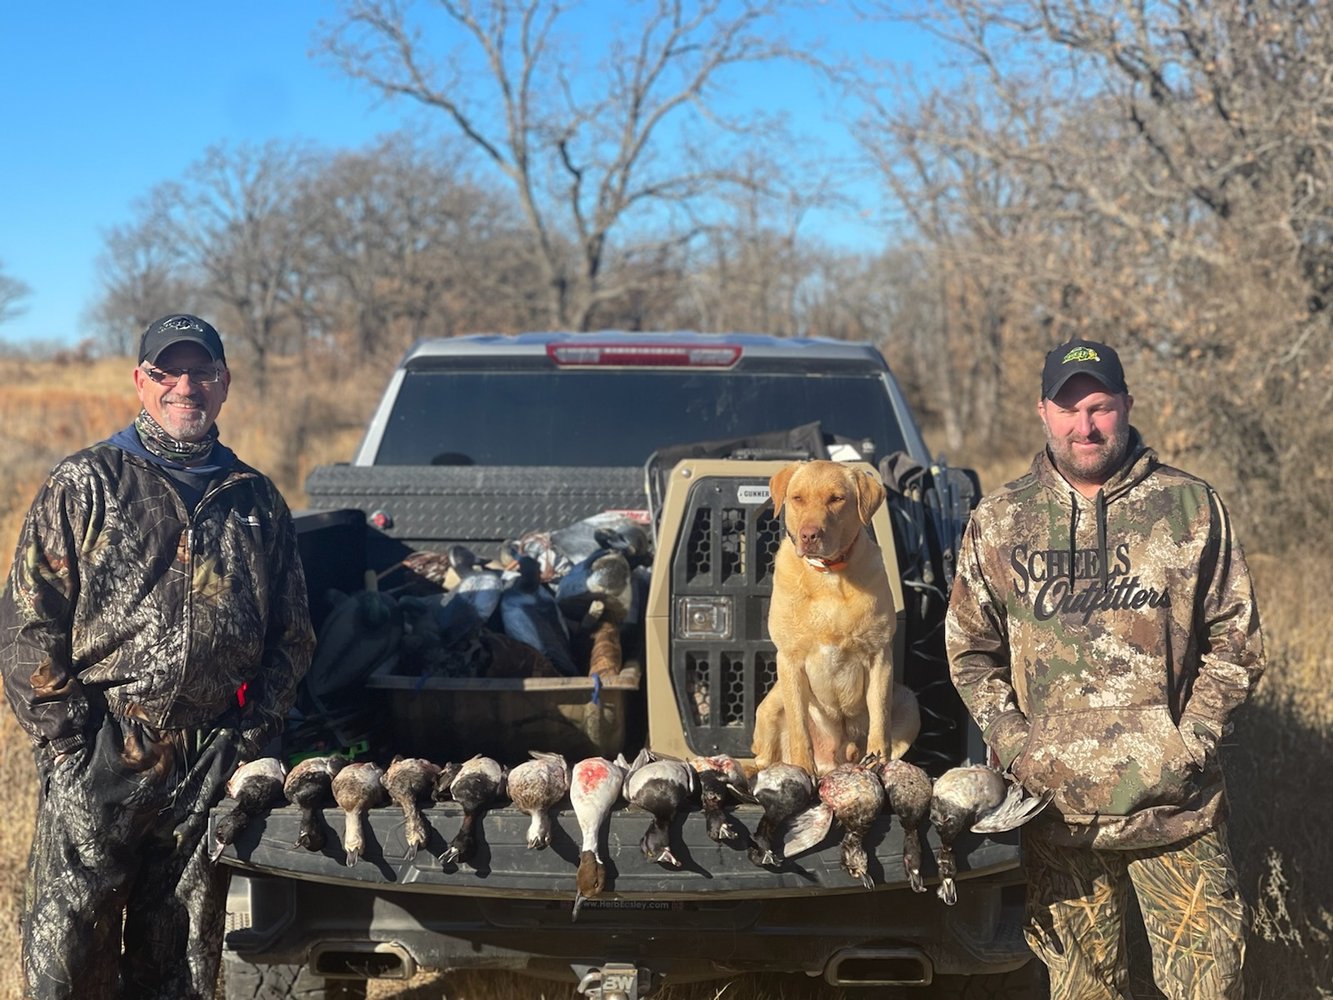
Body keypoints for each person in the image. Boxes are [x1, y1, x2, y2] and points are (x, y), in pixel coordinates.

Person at [0, 314, 316, 999]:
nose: (185, 387)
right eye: (166, 372)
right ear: (139, 382)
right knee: (70, 951)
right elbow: (29, 622)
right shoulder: (87, 480)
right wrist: (70, 744)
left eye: (201, 372)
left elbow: (291, 636)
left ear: (225, 384)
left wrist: (249, 735)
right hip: (104, 747)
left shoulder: (256, 498)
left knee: (179, 955)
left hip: (210, 758)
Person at [945, 338, 1264, 1000]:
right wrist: (1014, 744)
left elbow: (1236, 637)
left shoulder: (1188, 507)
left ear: (1125, 406)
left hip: (1175, 813)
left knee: (1210, 986)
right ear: (1041, 412)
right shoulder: (1001, 519)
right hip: (1056, 817)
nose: (1083, 426)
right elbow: (970, 649)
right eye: (1067, 410)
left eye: (1098, 407)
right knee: (1082, 990)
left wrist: (1192, 740)